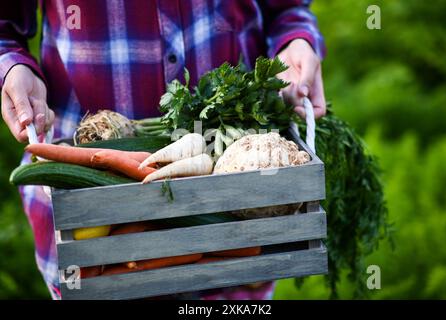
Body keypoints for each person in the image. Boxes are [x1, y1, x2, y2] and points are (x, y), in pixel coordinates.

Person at [0, 0, 326, 300]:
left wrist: (294, 39)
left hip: (241, 212)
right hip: (92, 232)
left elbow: (286, 8)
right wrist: (13, 66)